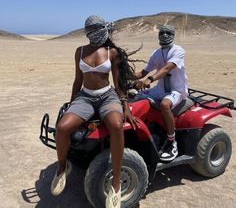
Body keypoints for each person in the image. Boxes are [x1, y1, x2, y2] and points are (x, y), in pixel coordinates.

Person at [50, 14, 138, 208]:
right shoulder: (80, 51)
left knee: (116, 125)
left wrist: (125, 106)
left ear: (103, 30)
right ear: (87, 33)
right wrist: (71, 103)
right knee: (62, 127)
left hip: (108, 96)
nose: (93, 34)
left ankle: (115, 184)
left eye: (96, 30)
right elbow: (77, 80)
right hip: (86, 97)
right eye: (90, 31)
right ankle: (62, 167)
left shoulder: (111, 52)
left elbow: (118, 83)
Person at [134, 24, 188, 162]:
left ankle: (171, 142)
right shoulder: (156, 53)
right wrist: (124, 74)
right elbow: (142, 73)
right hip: (160, 89)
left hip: (177, 90)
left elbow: (167, 68)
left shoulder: (178, 50)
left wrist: (150, 79)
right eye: (162, 32)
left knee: (164, 105)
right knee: (135, 96)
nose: (164, 35)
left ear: (173, 35)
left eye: (168, 33)